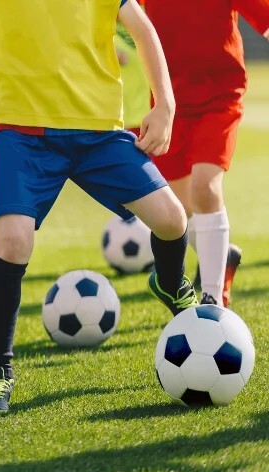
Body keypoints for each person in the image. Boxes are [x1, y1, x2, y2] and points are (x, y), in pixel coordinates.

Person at [0, 0, 196, 412]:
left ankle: (170, 283)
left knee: (171, 219)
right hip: (20, 130)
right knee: (11, 241)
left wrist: (164, 103)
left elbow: (143, 29)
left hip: (98, 129)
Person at [143, 0, 269, 308]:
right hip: (169, 105)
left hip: (220, 95)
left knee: (205, 187)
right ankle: (221, 256)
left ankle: (214, 301)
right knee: (175, 212)